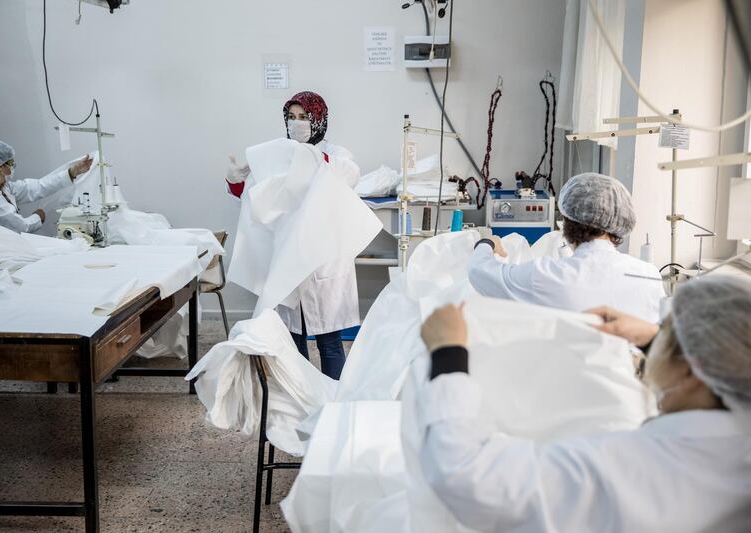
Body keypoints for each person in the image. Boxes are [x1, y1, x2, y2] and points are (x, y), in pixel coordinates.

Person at [418, 275, 751, 532]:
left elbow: (467, 476)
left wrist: (449, 352)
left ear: (694, 369)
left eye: (666, 333)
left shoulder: (629, 467)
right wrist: (654, 338)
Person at [224, 91, 360, 380]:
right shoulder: (277, 156)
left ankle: (333, 404)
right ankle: (302, 401)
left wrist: (311, 156)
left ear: (319, 120)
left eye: (304, 118)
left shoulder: (336, 155)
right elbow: (253, 199)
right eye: (291, 117)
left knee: (330, 342)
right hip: (288, 259)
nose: (297, 124)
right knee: (292, 341)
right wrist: (236, 180)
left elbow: (349, 174)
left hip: (323, 264)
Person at [469, 173, 665, 322]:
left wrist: (487, 242)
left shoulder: (547, 276)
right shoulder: (649, 276)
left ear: (567, 222)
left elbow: (479, 273)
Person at [0, 140, 92, 233]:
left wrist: (73, 172)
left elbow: (38, 187)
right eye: (10, 163)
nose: (12, 168)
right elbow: (20, 226)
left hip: (4, 244)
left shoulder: (4, 187)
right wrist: (38, 216)